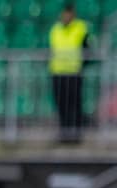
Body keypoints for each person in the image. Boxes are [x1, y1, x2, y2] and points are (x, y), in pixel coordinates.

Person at [49, 3, 90, 143]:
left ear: (73, 14)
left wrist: (82, 65)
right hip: (58, 71)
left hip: (74, 72)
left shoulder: (81, 28)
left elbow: (88, 49)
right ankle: (64, 133)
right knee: (61, 104)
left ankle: (75, 134)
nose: (66, 16)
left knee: (74, 104)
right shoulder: (55, 29)